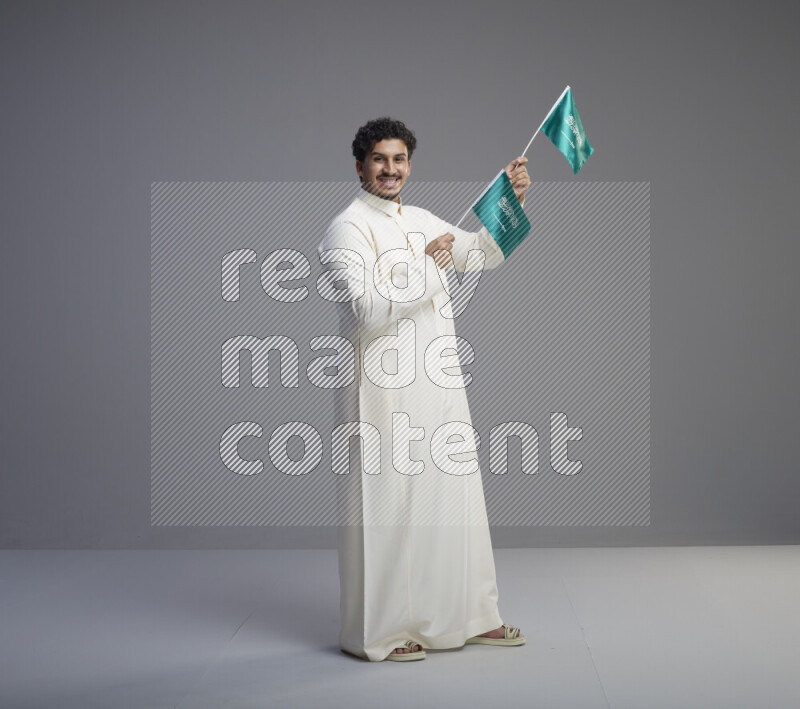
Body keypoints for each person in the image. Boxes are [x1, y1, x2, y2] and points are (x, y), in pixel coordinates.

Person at [318, 117, 531, 662]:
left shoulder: (419, 218)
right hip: (382, 390)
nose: (391, 170)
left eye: (400, 160)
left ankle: (473, 616)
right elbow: (367, 311)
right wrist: (430, 267)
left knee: (453, 497)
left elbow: (480, 255)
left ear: (409, 164)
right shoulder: (346, 228)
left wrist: (510, 201)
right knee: (386, 506)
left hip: (436, 381)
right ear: (360, 165)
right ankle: (379, 632)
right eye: (380, 160)